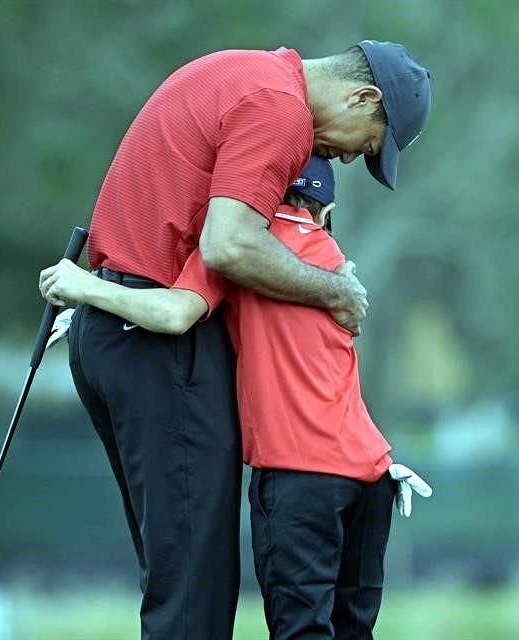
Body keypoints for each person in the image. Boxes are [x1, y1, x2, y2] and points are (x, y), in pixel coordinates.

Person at [41, 41, 431, 639]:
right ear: (363, 97)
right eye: (368, 143)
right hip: (156, 340)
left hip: (113, 331)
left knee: (179, 579)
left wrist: (91, 294)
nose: (347, 158)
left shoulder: (243, 69)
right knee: (194, 598)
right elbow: (229, 245)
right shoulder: (282, 109)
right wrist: (334, 291)